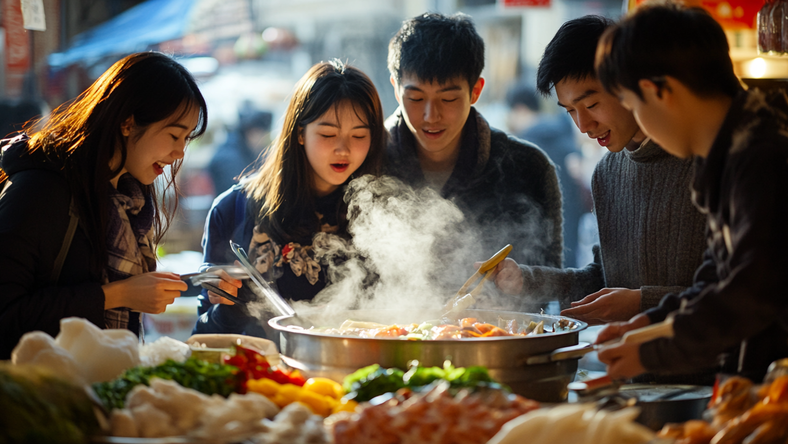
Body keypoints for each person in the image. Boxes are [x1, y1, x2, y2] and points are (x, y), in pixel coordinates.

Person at [593, 3, 788, 383]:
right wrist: (650, 321)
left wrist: (652, 352)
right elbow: (718, 277)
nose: (637, 121)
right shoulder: (731, 148)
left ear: (657, 91)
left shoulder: (764, 154)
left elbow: (753, 291)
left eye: (633, 104)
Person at [490, 16, 707, 329]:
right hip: (632, 370)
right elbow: (602, 278)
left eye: (590, 104)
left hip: (717, 375)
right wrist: (525, 279)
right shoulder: (606, 174)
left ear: (628, 85)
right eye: (570, 111)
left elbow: (736, 293)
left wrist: (639, 302)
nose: (583, 125)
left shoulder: (702, 160)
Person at [0, 52, 207, 359]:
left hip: (99, 382)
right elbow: (6, 315)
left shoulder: (128, 199)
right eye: (174, 135)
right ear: (127, 123)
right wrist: (118, 295)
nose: (179, 152)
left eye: (186, 139)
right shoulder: (40, 189)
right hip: (40, 394)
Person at [193, 60, 386, 337]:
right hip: (263, 375)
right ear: (299, 134)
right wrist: (228, 306)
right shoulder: (233, 209)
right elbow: (202, 335)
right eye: (328, 134)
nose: (343, 149)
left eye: (359, 135)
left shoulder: (380, 214)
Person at [385, 13, 563, 273]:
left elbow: (551, 282)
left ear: (475, 91)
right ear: (395, 88)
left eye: (448, 99)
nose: (430, 116)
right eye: (415, 98)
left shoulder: (527, 167)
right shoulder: (369, 159)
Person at [506, 83, 587, 268]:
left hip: (540, 228)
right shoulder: (564, 132)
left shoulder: (524, 144)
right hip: (572, 219)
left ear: (519, 109)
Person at [207, 103, 273, 195]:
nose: (262, 141)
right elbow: (239, 193)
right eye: (261, 134)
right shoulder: (230, 158)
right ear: (251, 132)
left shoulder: (244, 150)